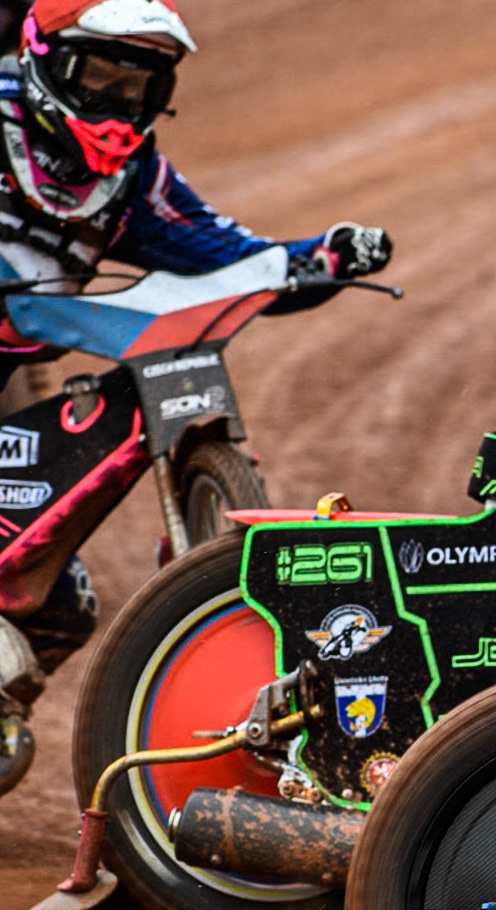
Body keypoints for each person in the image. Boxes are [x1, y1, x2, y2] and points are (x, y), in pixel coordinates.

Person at [0, 0, 395, 791]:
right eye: (101, 76)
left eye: (140, 85)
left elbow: (227, 258)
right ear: (45, 62)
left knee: (60, 604)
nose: (119, 105)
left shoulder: (128, 180)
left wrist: (321, 256)